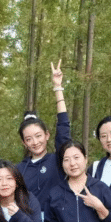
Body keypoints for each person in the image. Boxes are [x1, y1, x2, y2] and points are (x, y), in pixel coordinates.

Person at [17, 60, 70, 204]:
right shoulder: (19, 169)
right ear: (24, 142)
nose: (35, 142)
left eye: (38, 136)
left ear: (47, 135)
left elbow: (64, 127)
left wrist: (58, 88)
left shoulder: (59, 160)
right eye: (28, 139)